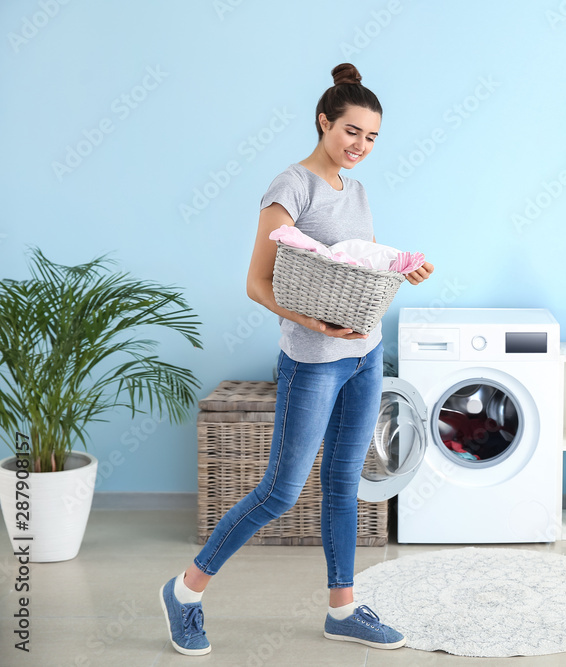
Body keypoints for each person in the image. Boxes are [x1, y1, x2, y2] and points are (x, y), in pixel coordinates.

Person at [159, 63, 432, 655]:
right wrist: (310, 320)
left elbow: (356, 266)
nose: (360, 146)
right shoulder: (292, 186)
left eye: (372, 137)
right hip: (314, 359)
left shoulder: (356, 191)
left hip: (366, 353)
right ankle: (185, 591)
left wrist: (401, 269)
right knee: (281, 491)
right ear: (324, 121)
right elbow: (259, 282)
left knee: (342, 483)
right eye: (351, 131)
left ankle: (343, 609)